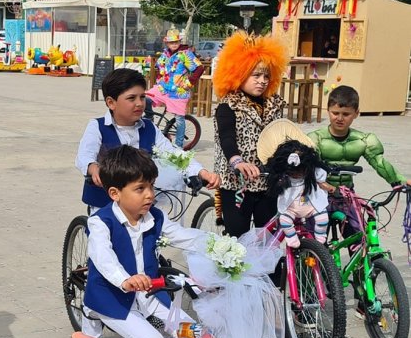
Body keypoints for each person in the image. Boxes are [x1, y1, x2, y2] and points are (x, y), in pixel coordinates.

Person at [82, 145, 208, 338]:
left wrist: (221, 247)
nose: (149, 194)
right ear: (115, 193)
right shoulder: (101, 223)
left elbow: (187, 237)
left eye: (151, 186)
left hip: (150, 300)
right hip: (113, 301)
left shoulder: (154, 218)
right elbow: (103, 257)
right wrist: (124, 278)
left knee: (198, 334)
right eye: (140, 188)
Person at [76, 68, 219, 212]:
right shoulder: (98, 127)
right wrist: (93, 168)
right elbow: (85, 155)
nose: (139, 103)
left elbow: (173, 153)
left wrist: (199, 171)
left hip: (140, 205)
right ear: (111, 102)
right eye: (131, 98)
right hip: (105, 204)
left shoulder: (149, 128)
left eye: (142, 97)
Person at [212, 31, 289, 238]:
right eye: (255, 75)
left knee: (269, 237)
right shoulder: (228, 105)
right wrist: (237, 161)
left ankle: (269, 272)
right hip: (236, 181)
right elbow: (226, 138)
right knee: (238, 238)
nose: (262, 81)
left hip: (267, 179)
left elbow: (284, 135)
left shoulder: (275, 104)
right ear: (239, 74)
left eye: (266, 76)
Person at [307, 85, 410, 189]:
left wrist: (401, 180)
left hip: (347, 194)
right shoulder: (315, 139)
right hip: (318, 195)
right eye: (335, 113)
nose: (340, 118)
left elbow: (380, 163)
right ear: (328, 110)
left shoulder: (364, 141)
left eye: (346, 114)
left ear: (356, 113)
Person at [145, 28, 204, 148]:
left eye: (176, 42)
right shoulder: (165, 54)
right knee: (144, 98)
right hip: (163, 88)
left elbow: (199, 68)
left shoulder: (185, 54)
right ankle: (149, 123)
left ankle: (178, 146)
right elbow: (159, 67)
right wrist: (158, 79)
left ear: (179, 42)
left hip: (178, 92)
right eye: (171, 42)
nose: (174, 44)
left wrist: (190, 82)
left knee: (179, 119)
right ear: (167, 43)